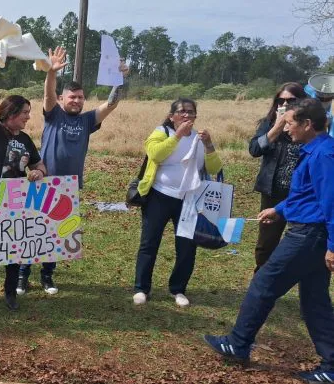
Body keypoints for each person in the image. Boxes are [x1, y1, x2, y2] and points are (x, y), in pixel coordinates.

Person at [204, 99, 334, 383]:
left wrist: (333, 247)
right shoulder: (314, 149)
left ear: (307, 124)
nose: (286, 129)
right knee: (315, 302)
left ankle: (238, 343)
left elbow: (331, 203)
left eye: (290, 123)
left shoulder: (324, 155)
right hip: (307, 232)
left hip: (308, 236)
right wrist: (280, 210)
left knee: (263, 284)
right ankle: (332, 365)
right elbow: (306, 195)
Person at [17, 46, 122, 296]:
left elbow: (111, 104)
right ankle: (22, 276)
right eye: (71, 97)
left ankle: (47, 276)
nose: (76, 101)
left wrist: (120, 80)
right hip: (43, 181)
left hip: (68, 187)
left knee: (56, 233)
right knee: (32, 230)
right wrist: (51, 72)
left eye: (80, 97)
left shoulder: (86, 120)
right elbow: (48, 96)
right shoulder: (54, 115)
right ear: (63, 99)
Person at [0, 55, 48, 311]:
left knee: (14, 248)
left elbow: (39, 165)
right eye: (25, 113)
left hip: (15, 199)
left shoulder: (26, 139)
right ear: (12, 113)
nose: (28, 117)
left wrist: (38, 173)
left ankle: (9, 293)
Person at [132, 98, 222, 307]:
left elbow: (214, 169)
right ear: (172, 116)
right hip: (159, 196)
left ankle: (178, 289)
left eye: (190, 112)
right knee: (149, 243)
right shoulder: (161, 132)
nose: (186, 115)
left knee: (187, 246)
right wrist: (178, 135)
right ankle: (141, 288)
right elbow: (155, 154)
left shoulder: (199, 139)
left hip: (189, 200)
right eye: (181, 112)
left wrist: (209, 145)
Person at [248, 82, 308, 271]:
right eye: (280, 100)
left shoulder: (308, 125)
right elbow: (255, 150)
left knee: (302, 240)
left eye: (291, 100)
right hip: (273, 191)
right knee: (266, 243)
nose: (285, 104)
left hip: (301, 193)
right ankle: (261, 281)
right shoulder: (268, 123)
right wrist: (278, 125)